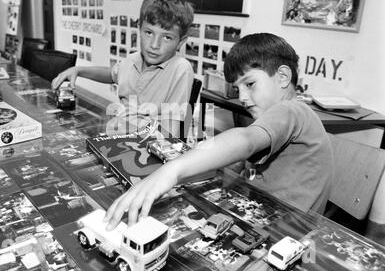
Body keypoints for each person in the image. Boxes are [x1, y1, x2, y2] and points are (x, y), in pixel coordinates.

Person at [104, 33, 334, 230]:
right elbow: (240, 164)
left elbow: (246, 140)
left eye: (250, 84)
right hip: (266, 219)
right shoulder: (280, 118)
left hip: (287, 234)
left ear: (283, 77)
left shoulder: (291, 110)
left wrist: (171, 171)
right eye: (238, 88)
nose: (242, 98)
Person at [51, 0, 195, 137]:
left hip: (150, 145)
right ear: (139, 28)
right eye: (149, 33)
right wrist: (79, 70)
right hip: (120, 135)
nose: (154, 44)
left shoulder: (180, 68)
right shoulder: (132, 59)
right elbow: (111, 74)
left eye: (167, 38)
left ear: (181, 42)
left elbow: (170, 132)